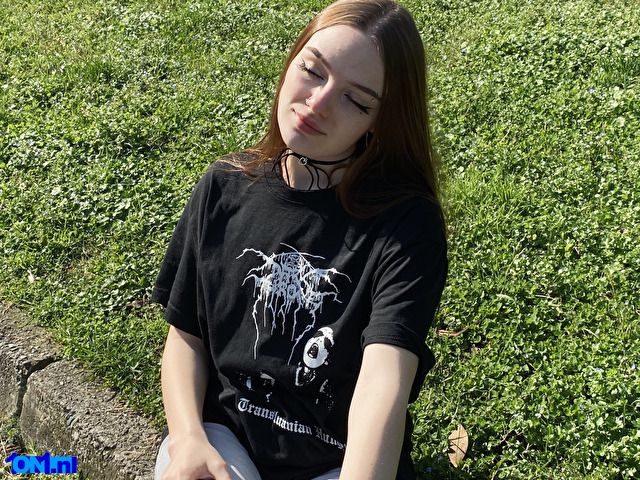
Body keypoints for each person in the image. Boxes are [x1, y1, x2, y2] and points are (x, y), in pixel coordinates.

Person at [151, 0, 448, 478]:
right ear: (291, 61)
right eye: (312, 70)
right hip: (223, 441)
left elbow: (383, 384)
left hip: (337, 462)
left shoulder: (406, 225)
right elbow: (186, 338)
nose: (318, 103)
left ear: (380, 120)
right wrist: (187, 439)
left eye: (356, 100)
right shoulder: (225, 186)